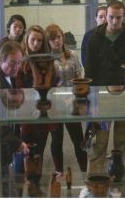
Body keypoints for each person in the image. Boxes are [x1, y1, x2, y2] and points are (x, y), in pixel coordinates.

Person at [84, 0, 125, 174]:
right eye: (111, 17)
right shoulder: (94, 37)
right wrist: (92, 102)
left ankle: (117, 179)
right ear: (106, 15)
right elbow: (89, 71)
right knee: (98, 144)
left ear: (124, 16)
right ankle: (94, 182)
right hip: (101, 98)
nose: (114, 21)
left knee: (122, 142)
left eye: (118, 18)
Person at [45, 23, 87, 174]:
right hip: (54, 105)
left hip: (72, 103)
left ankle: (84, 170)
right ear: (47, 42)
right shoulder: (46, 59)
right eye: (52, 39)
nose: (57, 41)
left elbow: (79, 74)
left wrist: (76, 95)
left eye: (58, 37)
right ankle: (59, 172)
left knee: (78, 139)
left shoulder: (72, 54)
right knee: (57, 140)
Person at [19, 25, 59, 184]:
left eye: (39, 40)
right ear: (26, 40)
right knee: (25, 153)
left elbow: (54, 84)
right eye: (32, 40)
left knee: (39, 152)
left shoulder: (49, 61)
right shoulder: (21, 62)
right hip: (24, 114)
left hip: (44, 112)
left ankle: (35, 187)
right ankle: (26, 187)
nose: (35, 43)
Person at [0, 41, 29, 197]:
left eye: (19, 62)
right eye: (12, 63)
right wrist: (17, 142)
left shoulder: (8, 78)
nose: (16, 66)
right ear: (0, 61)